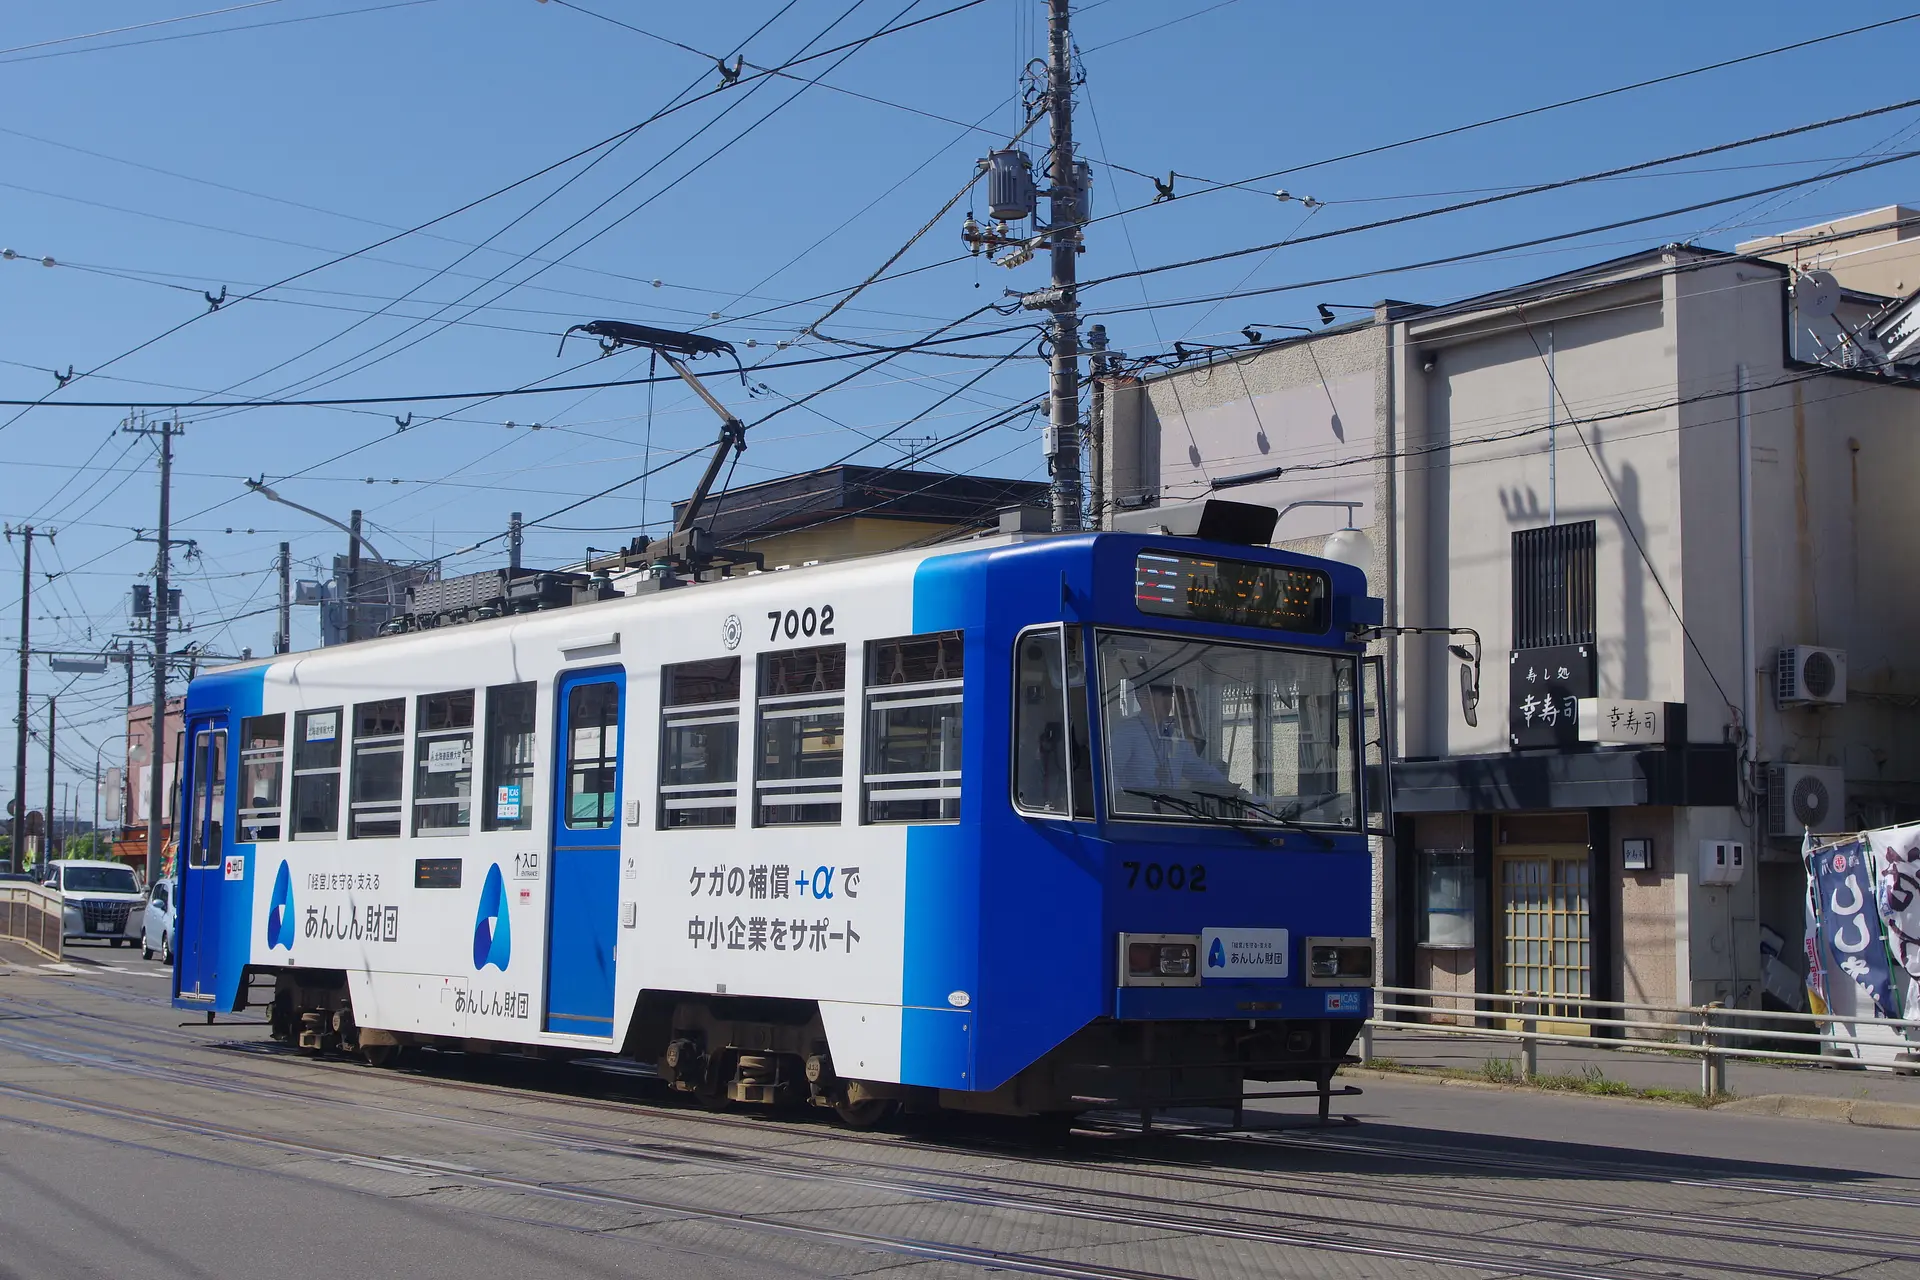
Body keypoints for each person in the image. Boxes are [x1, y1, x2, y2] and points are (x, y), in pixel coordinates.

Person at [1108, 682, 1241, 803]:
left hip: (1170, 811)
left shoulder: (1174, 734)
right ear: (1143, 698)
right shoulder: (1127, 731)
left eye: (1170, 696)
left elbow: (1199, 769)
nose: (1168, 702)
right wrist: (1121, 803)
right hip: (1137, 813)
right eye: (1163, 695)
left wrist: (1230, 788)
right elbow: (1110, 772)